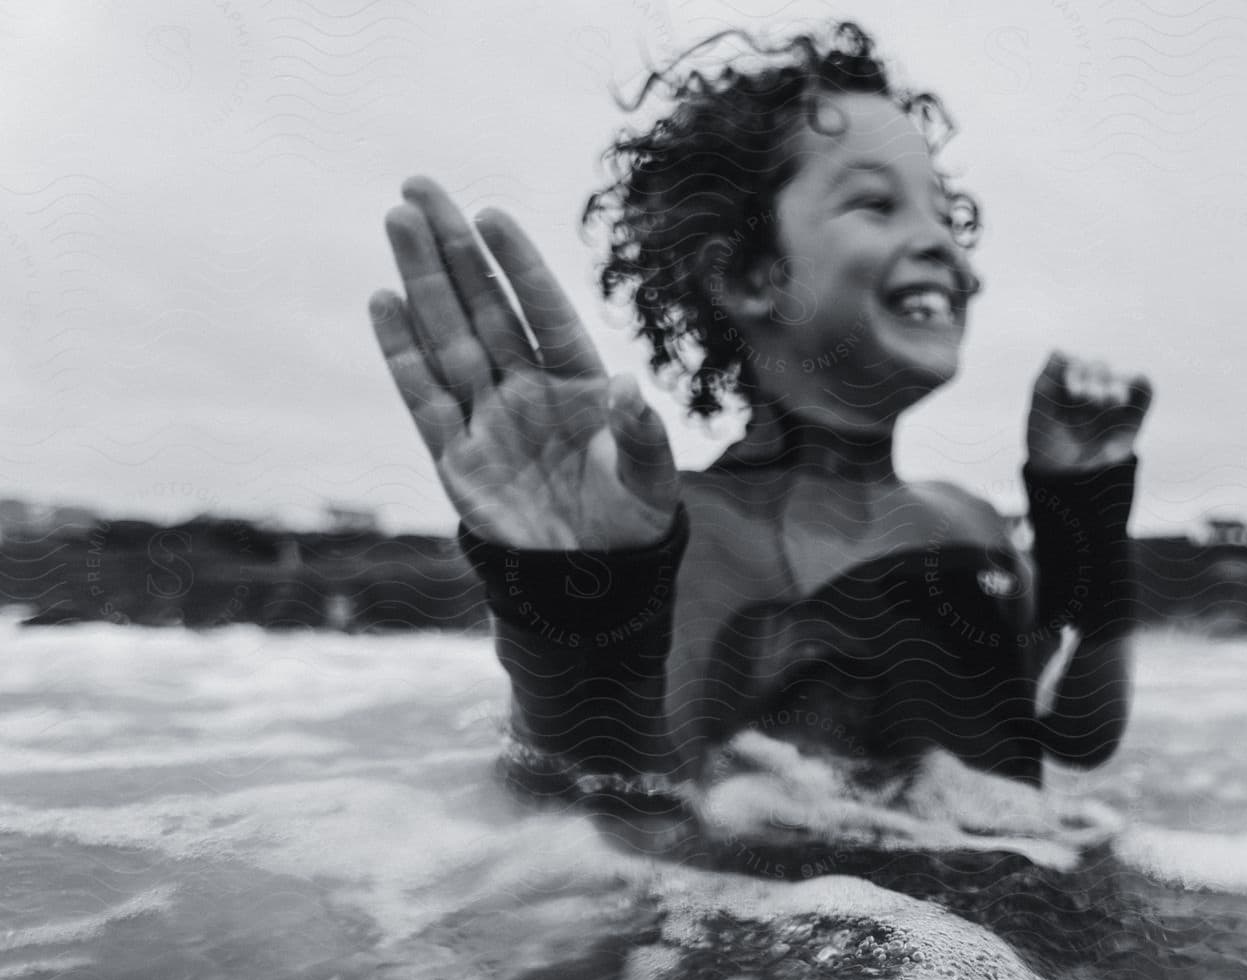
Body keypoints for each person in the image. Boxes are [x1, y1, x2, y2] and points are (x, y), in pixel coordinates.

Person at [368, 22, 1153, 850]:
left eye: (949, 214)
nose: (944, 247)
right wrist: (574, 604)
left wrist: (1085, 517)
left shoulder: (968, 522)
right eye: (877, 204)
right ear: (751, 275)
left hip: (1019, 959)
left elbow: (1076, 733)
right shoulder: (691, 536)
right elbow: (601, 821)